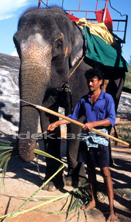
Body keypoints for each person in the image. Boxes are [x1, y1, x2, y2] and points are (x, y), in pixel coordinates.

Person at [47, 68, 117, 222]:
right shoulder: (84, 99)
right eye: (88, 81)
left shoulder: (107, 99)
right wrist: (57, 122)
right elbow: (73, 117)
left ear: (100, 82)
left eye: (93, 81)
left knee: (105, 173)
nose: (90, 83)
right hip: (87, 140)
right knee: (90, 171)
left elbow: (111, 119)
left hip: (101, 140)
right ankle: (94, 200)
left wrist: (93, 124)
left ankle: (111, 210)